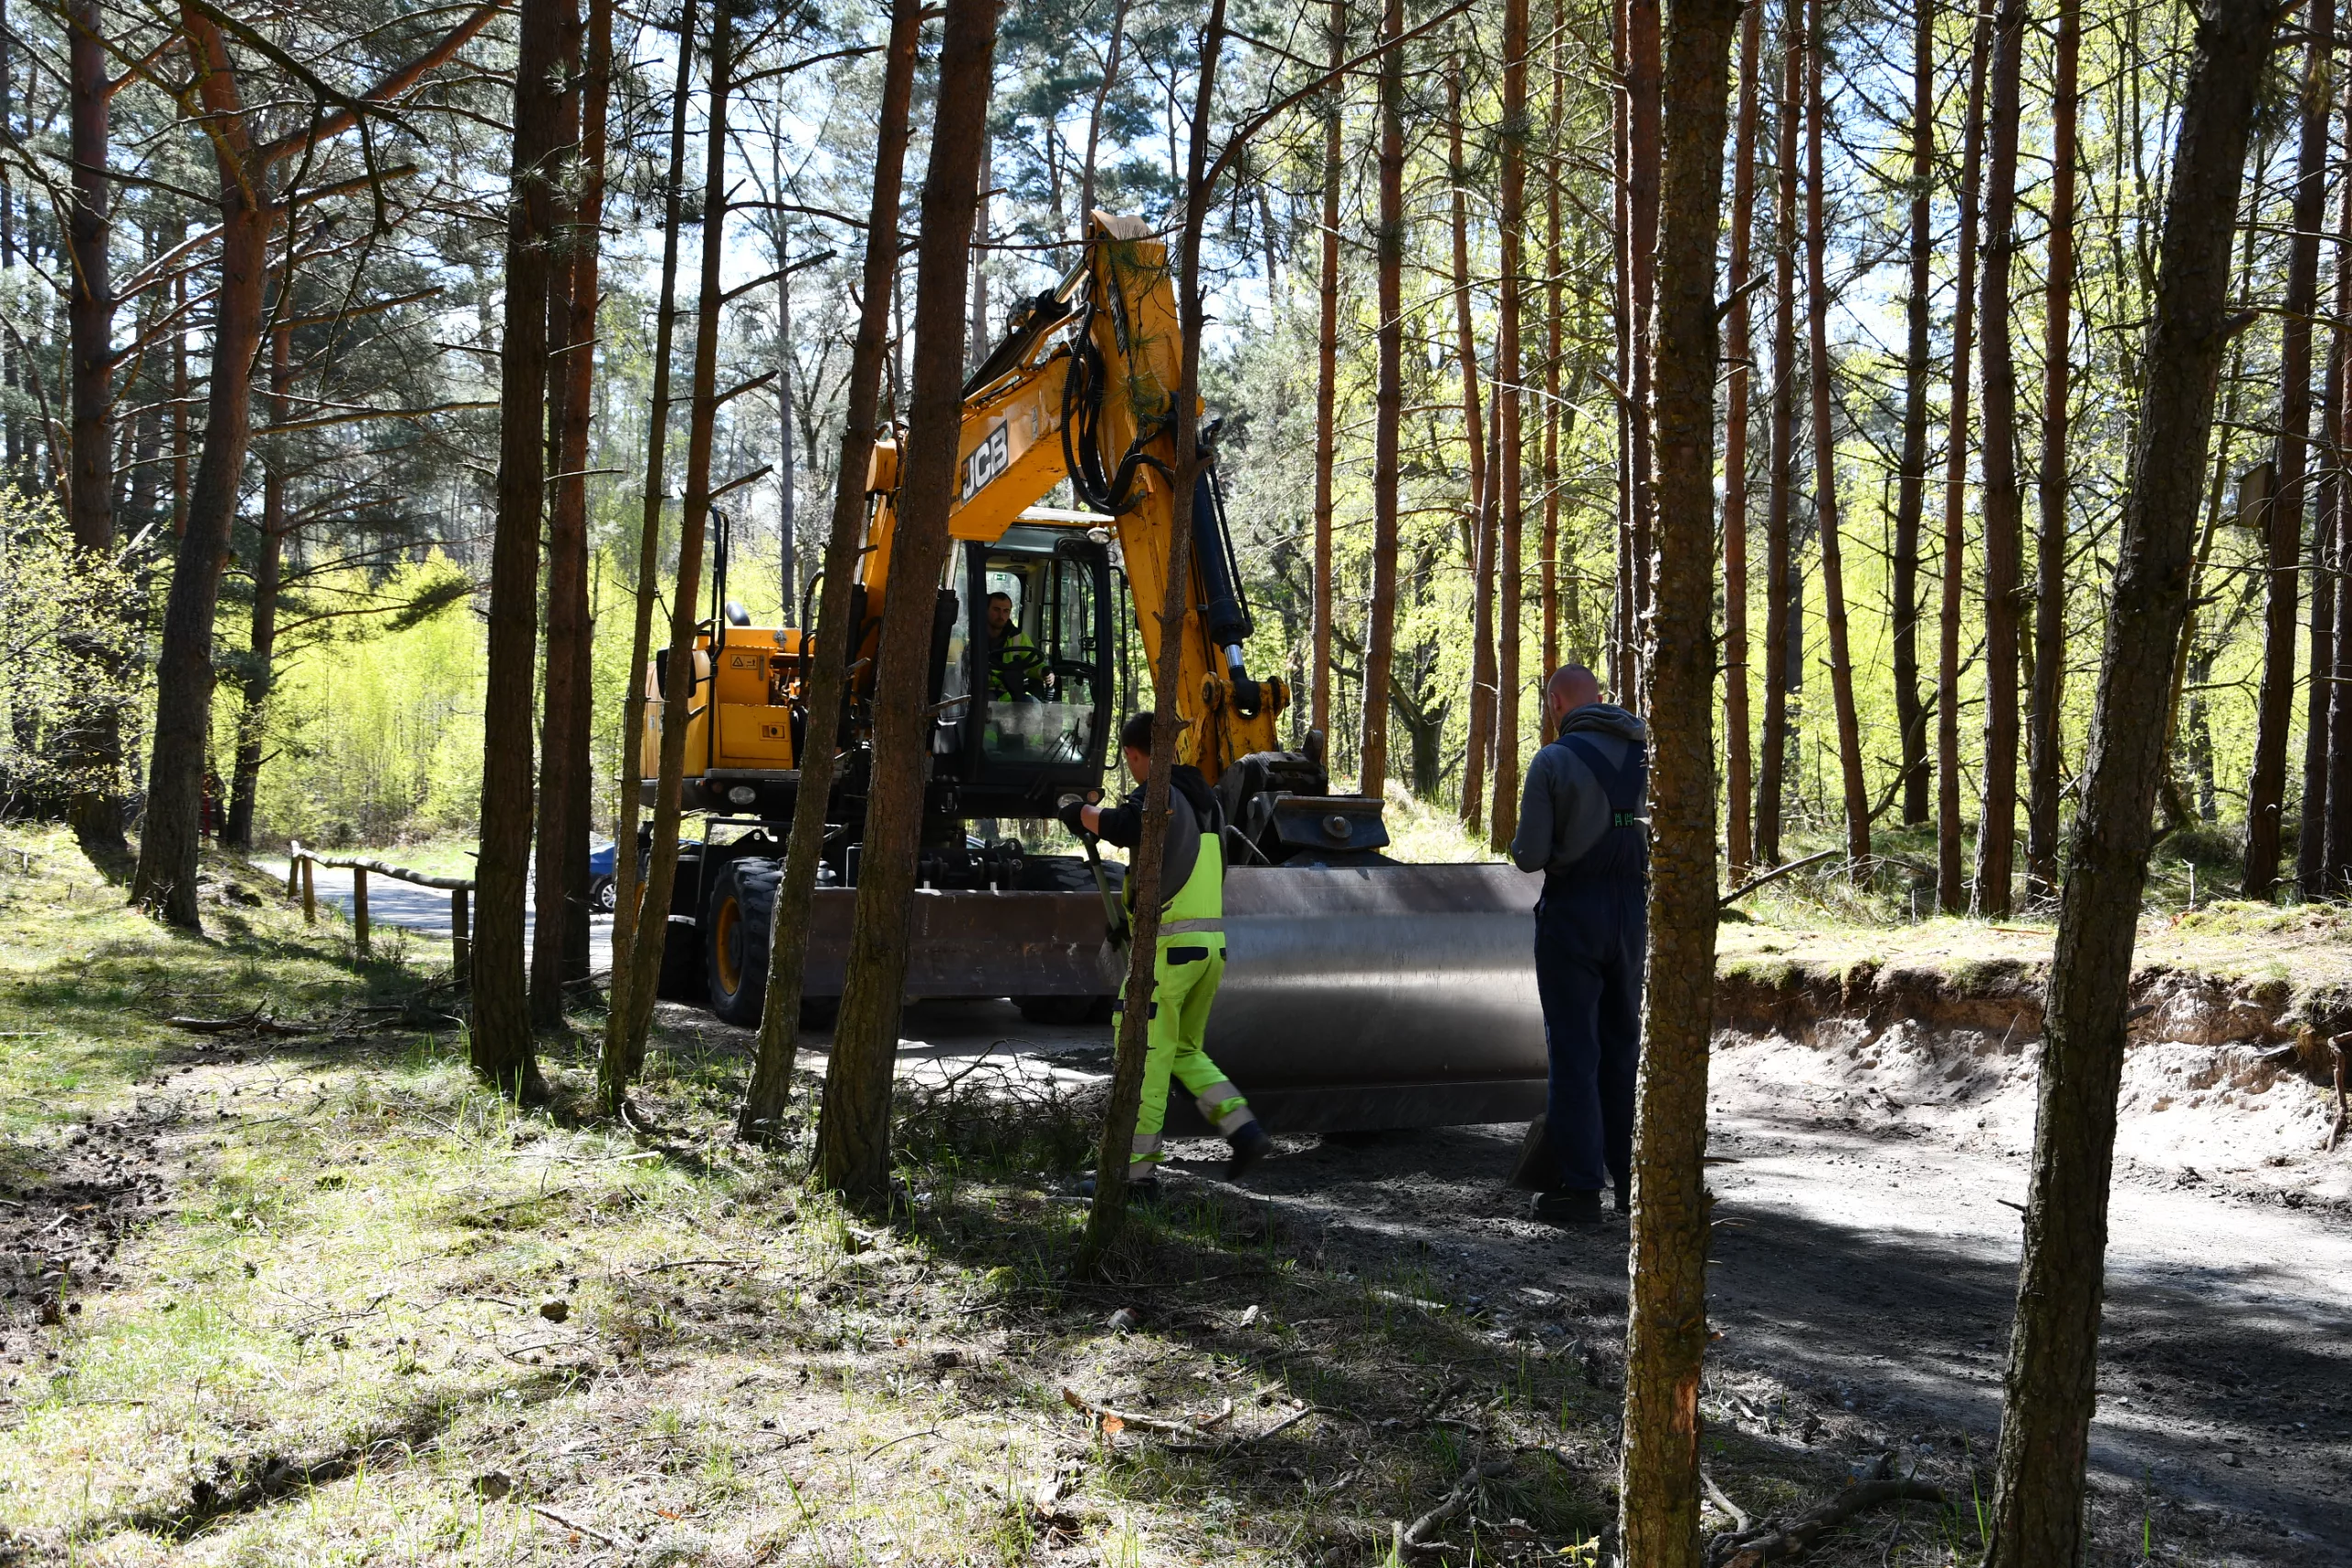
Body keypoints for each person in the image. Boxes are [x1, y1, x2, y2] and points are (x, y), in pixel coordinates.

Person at [1062, 711, 1272, 1195]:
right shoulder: (1209, 801)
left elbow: (1123, 826)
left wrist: (1077, 813)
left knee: (1146, 1062)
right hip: (1210, 950)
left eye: (1131, 760)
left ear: (1136, 755)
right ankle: (1244, 1130)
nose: (1133, 768)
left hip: (1170, 951)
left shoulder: (1158, 793)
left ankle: (1134, 1175)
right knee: (1181, 1051)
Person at [1508, 664, 1648, 1226]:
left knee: (1574, 1053)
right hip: (1634, 916)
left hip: (1573, 917)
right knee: (1622, 1052)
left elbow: (1529, 855)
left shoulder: (1553, 760)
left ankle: (1582, 1189)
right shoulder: (1647, 757)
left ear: (1556, 702)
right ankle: (1632, 1187)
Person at [985, 590, 1042, 700]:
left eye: (1006, 611)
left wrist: (1045, 672)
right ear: (986, 610)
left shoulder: (1019, 637)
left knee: (1032, 705)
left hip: (1010, 694)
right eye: (996, 610)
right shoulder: (973, 636)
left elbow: (1034, 664)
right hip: (981, 693)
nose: (1001, 615)